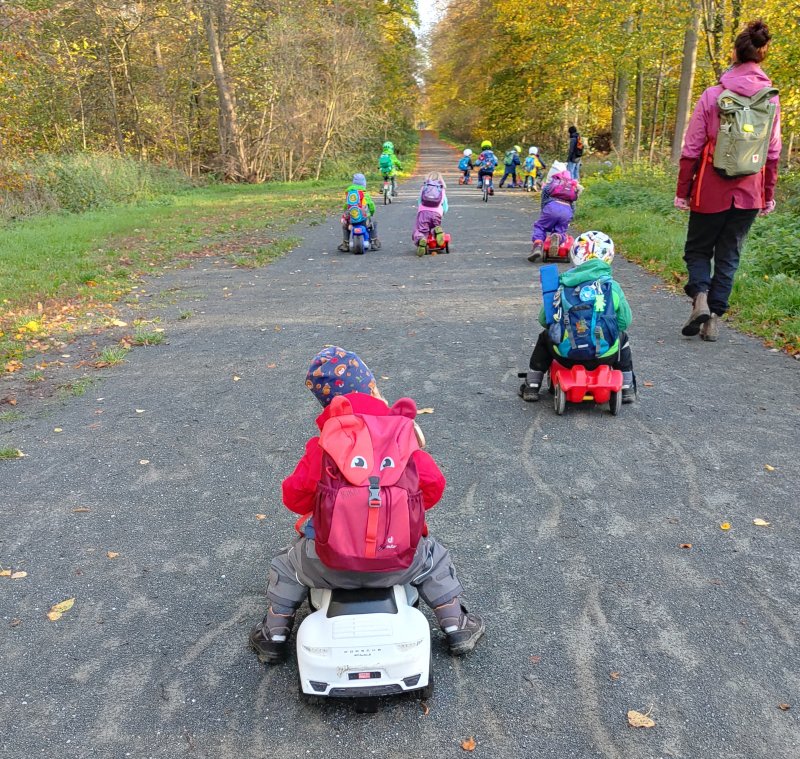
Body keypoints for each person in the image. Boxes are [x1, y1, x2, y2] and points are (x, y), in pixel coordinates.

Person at [249, 347, 485, 663]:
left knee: (287, 565)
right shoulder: (400, 435)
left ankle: (274, 634)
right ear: (373, 388)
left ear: (327, 405)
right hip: (400, 561)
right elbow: (434, 484)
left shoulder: (326, 443)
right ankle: (456, 625)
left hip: (329, 565)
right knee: (434, 558)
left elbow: (294, 497)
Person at [674, 19, 781, 342]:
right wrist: (768, 194)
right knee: (729, 255)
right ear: (762, 54)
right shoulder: (770, 99)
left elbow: (691, 149)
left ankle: (701, 298)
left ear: (734, 53)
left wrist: (683, 191)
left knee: (697, 249)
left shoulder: (712, 95)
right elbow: (772, 153)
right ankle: (713, 320)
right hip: (750, 192)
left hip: (710, 189)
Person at [520, 231, 636, 403]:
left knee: (545, 337)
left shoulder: (561, 285)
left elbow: (545, 320)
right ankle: (626, 388)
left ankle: (532, 384)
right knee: (622, 337)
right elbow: (624, 321)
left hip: (566, 356)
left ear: (575, 255)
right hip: (604, 355)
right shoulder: (612, 287)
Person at [527, 170, 580, 262]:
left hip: (552, 207)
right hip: (567, 210)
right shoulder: (572, 187)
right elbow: (573, 206)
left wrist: (544, 211)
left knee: (540, 226)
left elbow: (544, 199)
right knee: (561, 231)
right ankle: (558, 237)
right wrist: (570, 218)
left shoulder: (551, 185)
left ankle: (538, 245)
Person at [338, 173, 379, 252]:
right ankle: (374, 242)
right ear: (364, 184)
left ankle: (345, 244)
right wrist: (371, 212)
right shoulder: (365, 194)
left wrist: (345, 213)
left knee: (345, 226)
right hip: (364, 220)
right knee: (373, 224)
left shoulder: (350, 194)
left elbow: (346, 206)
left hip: (351, 220)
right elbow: (371, 205)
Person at [413, 172, 448, 257]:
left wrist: (420, 210)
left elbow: (419, 202)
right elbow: (445, 206)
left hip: (423, 213)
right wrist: (442, 213)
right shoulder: (441, 189)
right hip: (437, 213)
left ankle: (421, 239)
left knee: (421, 230)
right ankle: (436, 231)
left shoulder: (424, 187)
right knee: (435, 226)